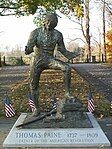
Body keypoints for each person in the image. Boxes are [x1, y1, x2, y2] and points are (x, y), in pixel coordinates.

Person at [25, 13, 78, 117]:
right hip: (37, 60)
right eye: (48, 21)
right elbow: (29, 47)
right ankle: (37, 109)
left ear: (55, 24)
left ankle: (67, 93)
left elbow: (62, 49)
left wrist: (71, 55)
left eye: (53, 23)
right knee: (33, 84)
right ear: (44, 21)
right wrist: (28, 49)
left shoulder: (58, 34)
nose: (49, 24)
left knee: (67, 68)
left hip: (49, 59)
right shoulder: (35, 33)